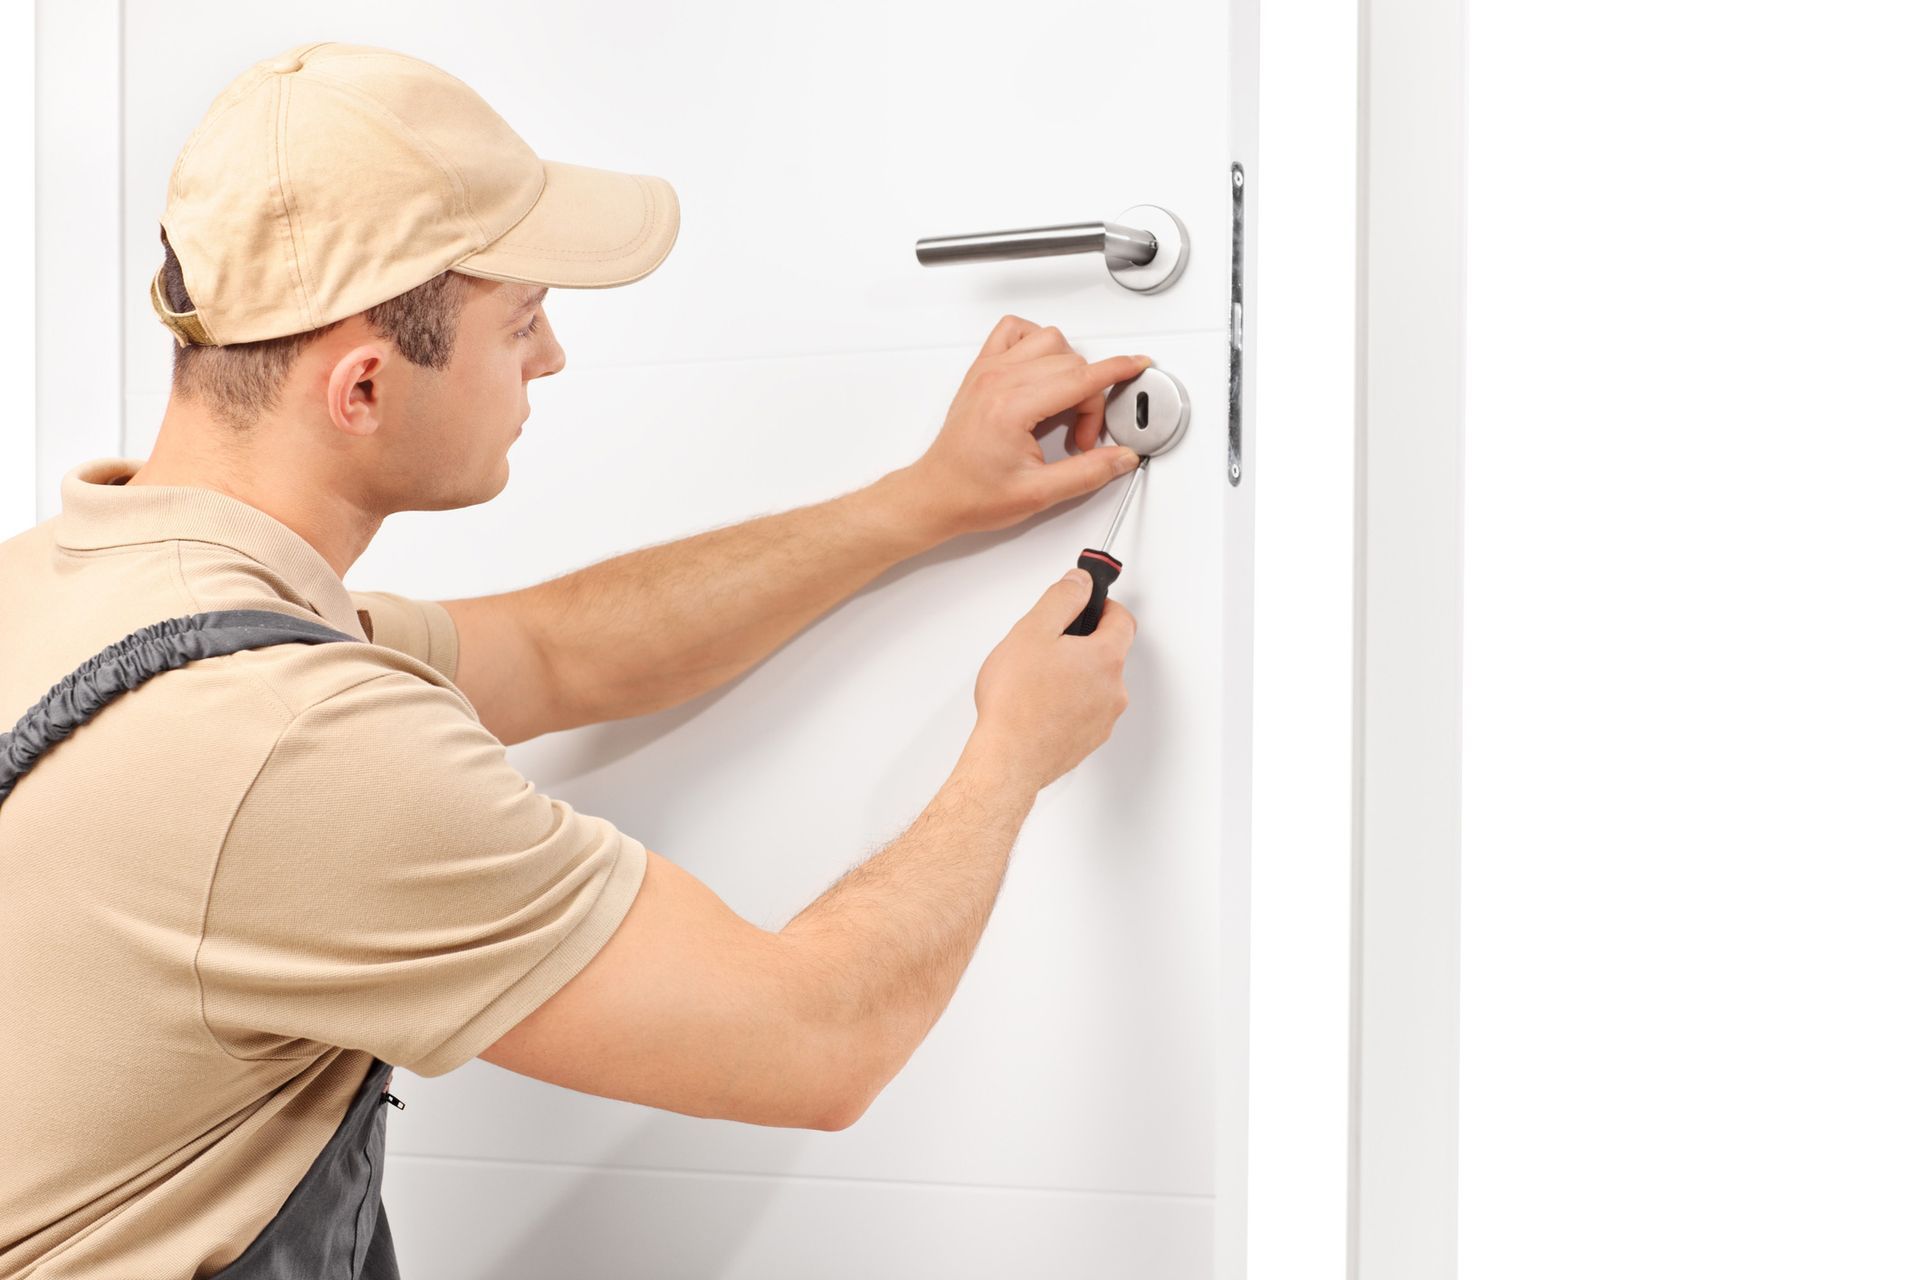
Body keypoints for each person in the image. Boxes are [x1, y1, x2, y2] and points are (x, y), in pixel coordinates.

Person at [0, 41, 1142, 1278]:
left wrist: (920, 502)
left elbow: (556, 648)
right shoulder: (288, 741)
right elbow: (819, 1039)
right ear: (365, 387)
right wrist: (1012, 750)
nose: (552, 358)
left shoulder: (80, 597)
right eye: (524, 319)